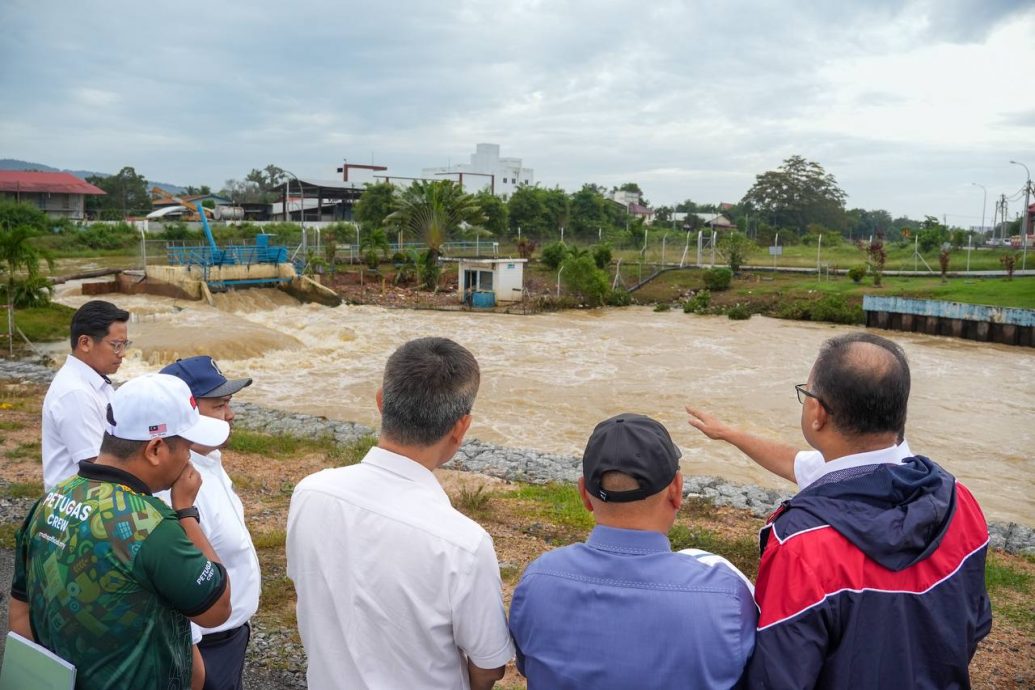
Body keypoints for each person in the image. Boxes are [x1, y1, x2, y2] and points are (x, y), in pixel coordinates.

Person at [687, 332, 992, 689]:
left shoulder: (802, 545)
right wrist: (729, 433)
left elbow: (779, 677)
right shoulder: (959, 500)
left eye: (806, 393)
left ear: (817, 412)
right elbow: (975, 623)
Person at [287, 337, 513, 690]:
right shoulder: (464, 544)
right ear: (460, 428)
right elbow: (489, 666)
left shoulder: (310, 493)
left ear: (381, 402)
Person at [10, 373, 233, 690]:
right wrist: (185, 511)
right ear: (155, 449)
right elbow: (217, 609)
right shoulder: (152, 525)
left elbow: (20, 611)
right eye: (186, 447)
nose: (189, 458)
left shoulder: (50, 501)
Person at [509, 413, 757, 689]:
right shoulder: (726, 597)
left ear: (584, 495)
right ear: (676, 490)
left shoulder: (538, 582)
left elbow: (527, 665)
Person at [160, 356, 260, 690]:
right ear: (184, 412)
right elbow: (173, 577)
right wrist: (192, 655)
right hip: (205, 645)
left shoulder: (208, 461)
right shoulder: (177, 484)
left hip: (230, 634)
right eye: (219, 406)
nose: (230, 415)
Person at [41, 299, 130, 489]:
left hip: (92, 495)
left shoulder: (95, 381)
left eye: (125, 345)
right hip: (78, 505)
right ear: (85, 343)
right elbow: (99, 466)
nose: (122, 354)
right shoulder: (75, 393)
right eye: (116, 345)